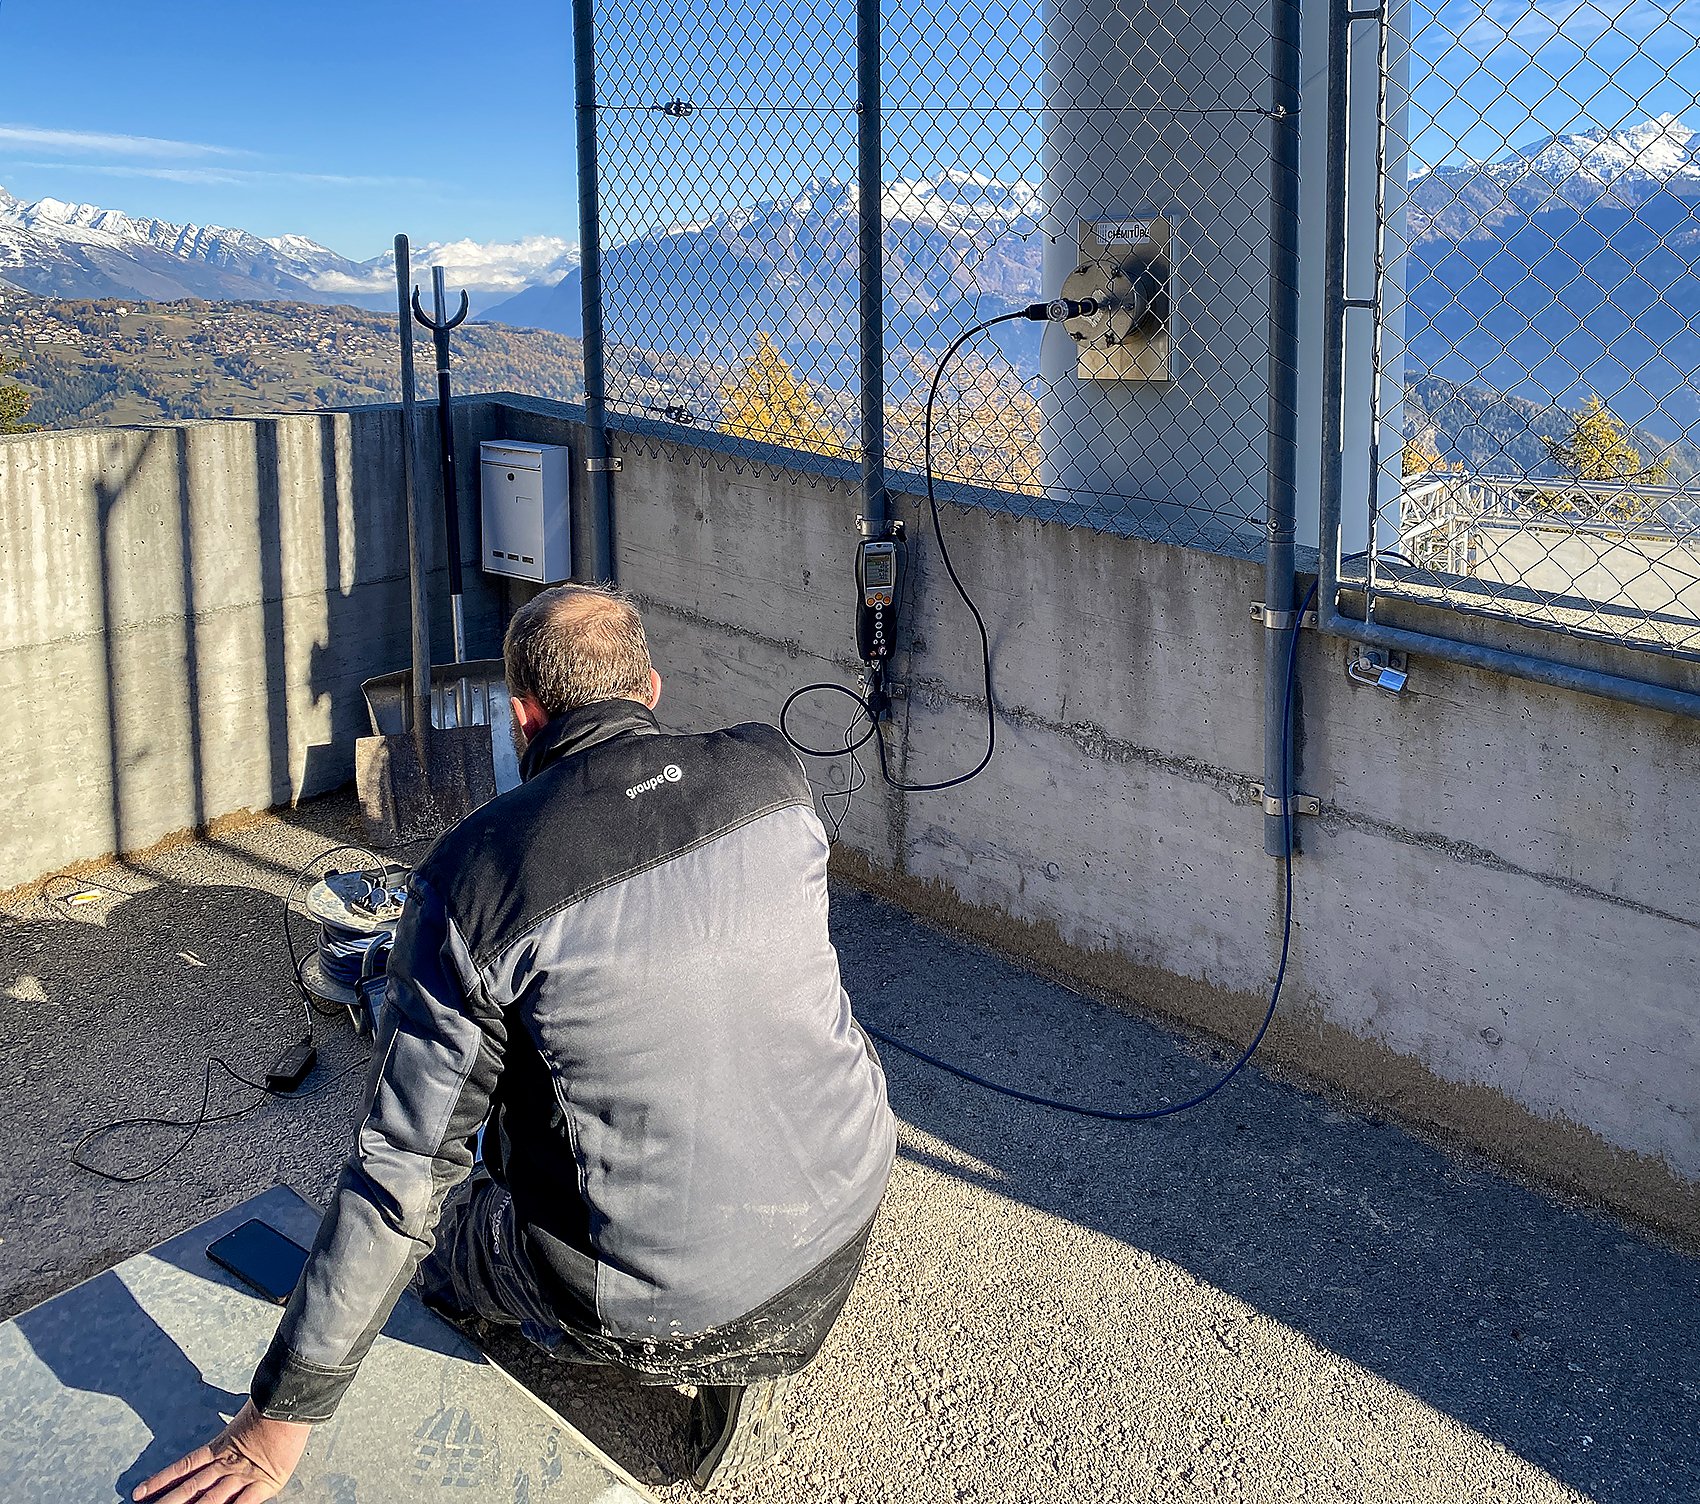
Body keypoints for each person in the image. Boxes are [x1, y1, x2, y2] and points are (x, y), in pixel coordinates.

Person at [136, 583, 897, 1502]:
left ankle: (524, 1329)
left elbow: (402, 1176)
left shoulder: (476, 876)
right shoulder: (771, 772)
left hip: (660, 1312)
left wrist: (277, 1419)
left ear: (521, 714)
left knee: (455, 1216)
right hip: (847, 1219)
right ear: (649, 687)